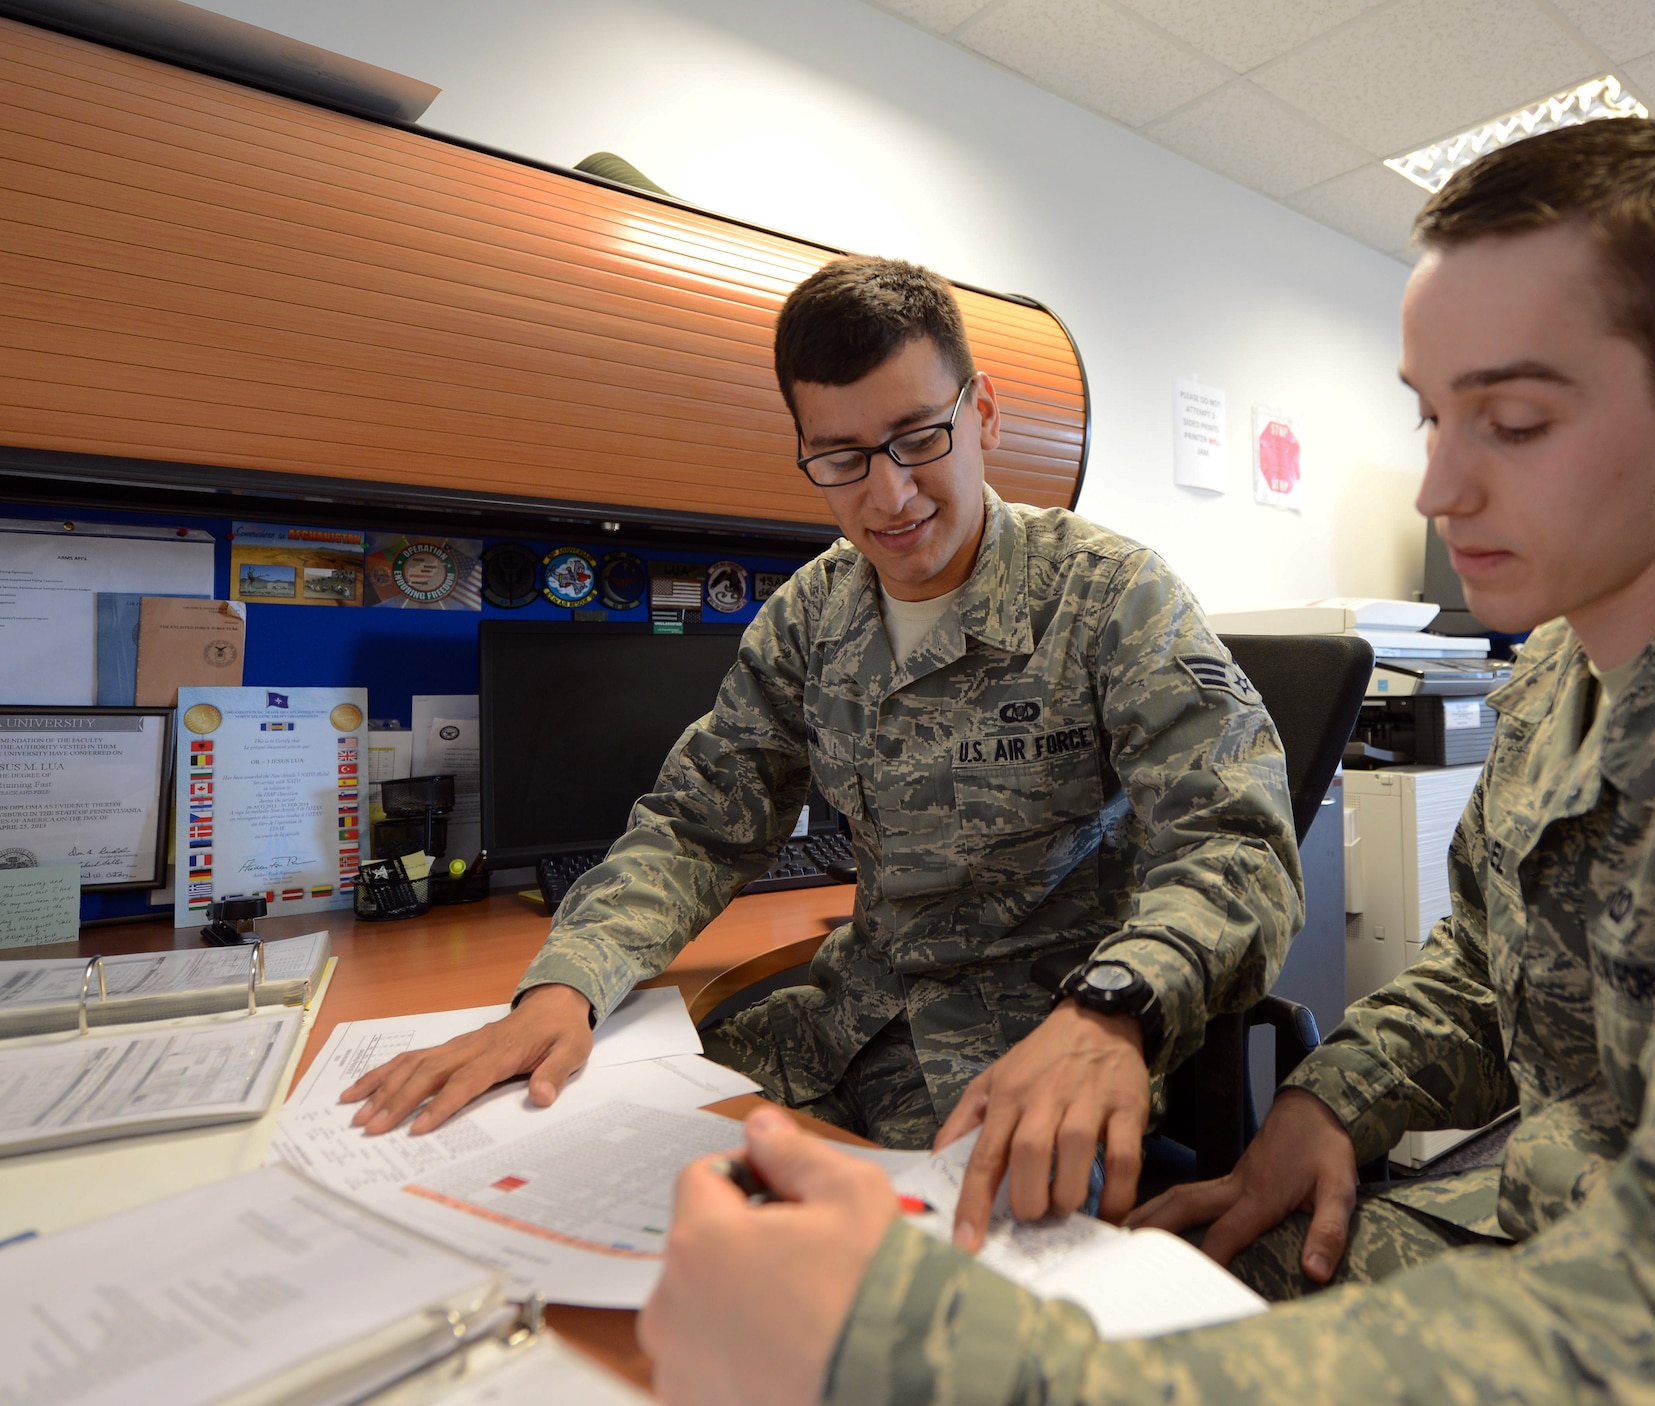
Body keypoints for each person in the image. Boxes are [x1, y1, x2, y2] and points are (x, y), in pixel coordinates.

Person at [637, 118, 1655, 1404]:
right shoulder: (1562, 670)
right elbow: (1492, 965)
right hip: (1541, 1207)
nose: (1437, 488)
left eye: (1513, 422)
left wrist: (935, 1360)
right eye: (1430, 415)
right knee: (1187, 1274)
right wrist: (1335, 1102)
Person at [342, 255, 1303, 1232]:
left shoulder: (1107, 594)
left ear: (982, 416)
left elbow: (1235, 841)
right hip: (842, 1021)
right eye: (840, 456)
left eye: (917, 438)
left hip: (1033, 1054)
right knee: (553, 1154)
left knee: (911, 1311)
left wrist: (1111, 1007)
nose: (887, 495)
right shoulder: (813, 611)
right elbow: (699, 820)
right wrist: (566, 981)